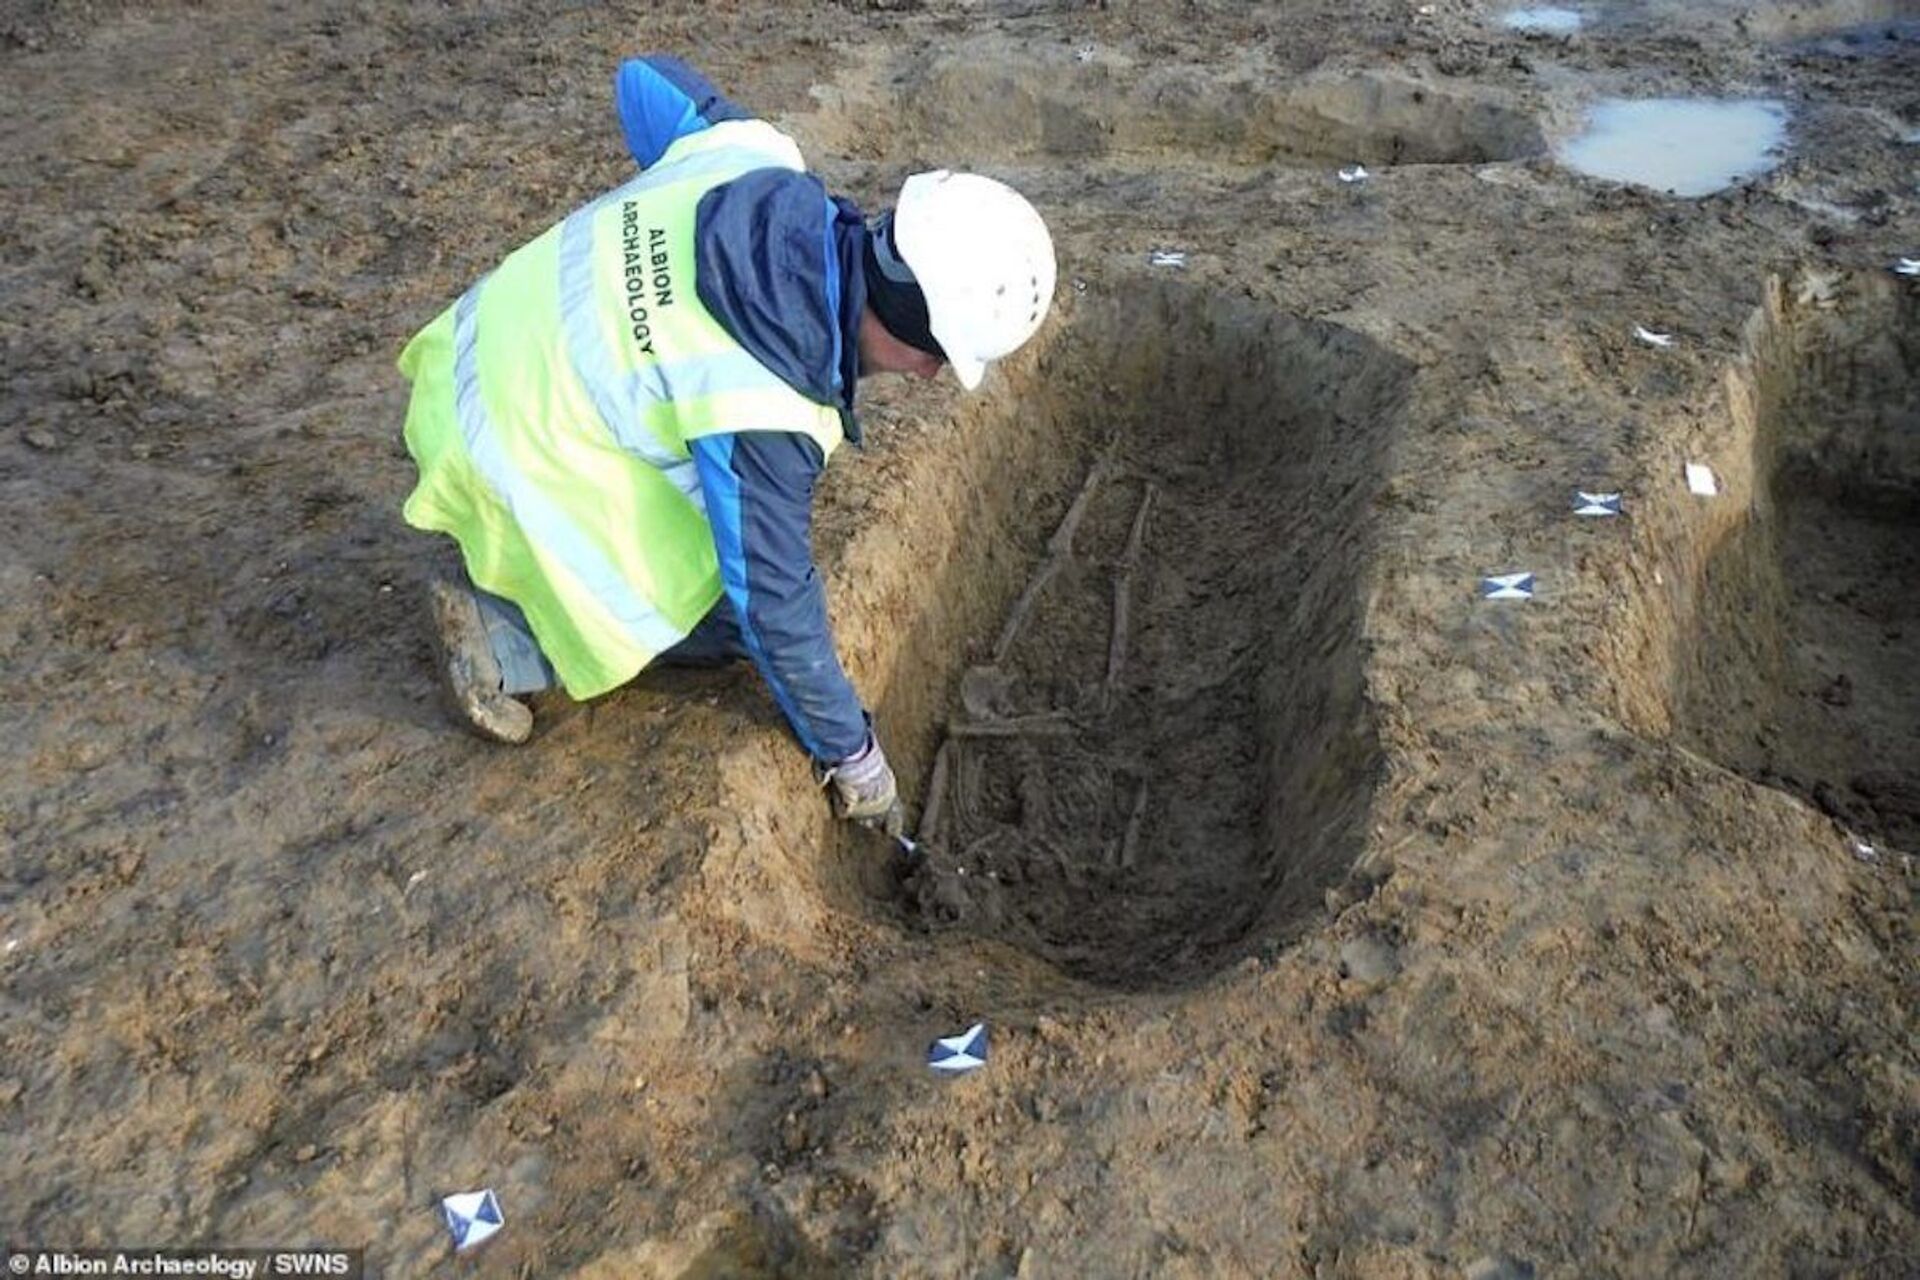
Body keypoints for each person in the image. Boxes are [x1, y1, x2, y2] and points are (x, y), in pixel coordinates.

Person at [395, 55, 1056, 835]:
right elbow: (776, 607)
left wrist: (652, 237)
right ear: (918, 337)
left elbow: (643, 79)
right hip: (508, 466)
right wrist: (856, 758)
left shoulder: (748, 157)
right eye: (939, 361)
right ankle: (506, 639)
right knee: (727, 610)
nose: (928, 379)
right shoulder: (763, 406)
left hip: (456, 371)